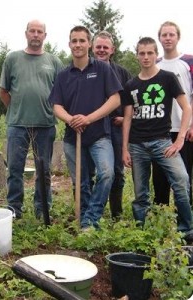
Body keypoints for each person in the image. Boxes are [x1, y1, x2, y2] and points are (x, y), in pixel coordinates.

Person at [49, 25, 122, 230]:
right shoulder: (64, 75)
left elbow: (115, 99)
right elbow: (56, 105)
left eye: (82, 40)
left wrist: (88, 118)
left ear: (89, 43)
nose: (78, 45)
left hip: (100, 135)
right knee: (81, 182)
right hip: (73, 138)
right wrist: (71, 119)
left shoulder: (102, 69)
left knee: (107, 173)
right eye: (74, 41)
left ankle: (90, 217)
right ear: (69, 44)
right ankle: (85, 224)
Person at [122, 37, 193, 243]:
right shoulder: (131, 85)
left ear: (156, 54)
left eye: (150, 53)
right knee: (140, 193)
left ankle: (186, 229)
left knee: (181, 181)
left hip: (163, 142)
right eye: (142, 53)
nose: (146, 57)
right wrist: (124, 149)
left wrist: (179, 139)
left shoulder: (168, 78)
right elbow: (127, 118)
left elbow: (186, 107)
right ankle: (141, 233)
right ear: (137, 55)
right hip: (137, 145)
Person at [0, 19, 63, 219]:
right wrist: (17, 109)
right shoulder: (12, 59)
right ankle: (14, 210)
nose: (36, 34)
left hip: (45, 125)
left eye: (39, 31)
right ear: (26, 34)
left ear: (45, 36)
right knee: (15, 169)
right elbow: (3, 91)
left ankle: (42, 210)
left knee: (43, 171)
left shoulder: (54, 61)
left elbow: (61, 93)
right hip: (17, 125)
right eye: (32, 31)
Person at [91, 31, 132, 219]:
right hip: (90, 127)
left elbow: (133, 103)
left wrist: (126, 119)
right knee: (90, 173)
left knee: (116, 171)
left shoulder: (122, 73)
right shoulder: (85, 70)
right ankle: (89, 212)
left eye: (105, 47)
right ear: (92, 48)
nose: (101, 50)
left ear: (112, 50)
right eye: (98, 46)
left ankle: (116, 214)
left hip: (115, 128)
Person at [152, 21, 193, 206]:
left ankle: (184, 222)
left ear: (178, 37)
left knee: (184, 178)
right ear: (159, 38)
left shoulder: (189, 62)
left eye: (171, 34)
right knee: (160, 180)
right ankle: (160, 219)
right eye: (164, 35)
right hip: (159, 131)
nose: (168, 38)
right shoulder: (155, 63)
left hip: (183, 130)